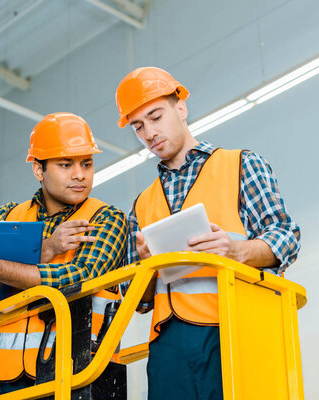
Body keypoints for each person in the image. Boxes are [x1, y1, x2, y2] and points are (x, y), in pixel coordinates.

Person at [115, 67, 301, 400]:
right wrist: (144, 270)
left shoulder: (241, 165)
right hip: (169, 346)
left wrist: (237, 251)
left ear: (181, 107)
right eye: (138, 126)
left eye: (156, 116)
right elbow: (136, 298)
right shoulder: (142, 203)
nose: (149, 133)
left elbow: (286, 235)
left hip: (234, 328)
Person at [0, 112, 127, 396]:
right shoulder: (5, 216)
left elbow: (80, 277)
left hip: (78, 374)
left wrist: (0, 268)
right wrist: (47, 249)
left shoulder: (106, 218)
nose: (79, 174)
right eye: (65, 164)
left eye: (87, 163)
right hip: (9, 379)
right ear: (39, 170)